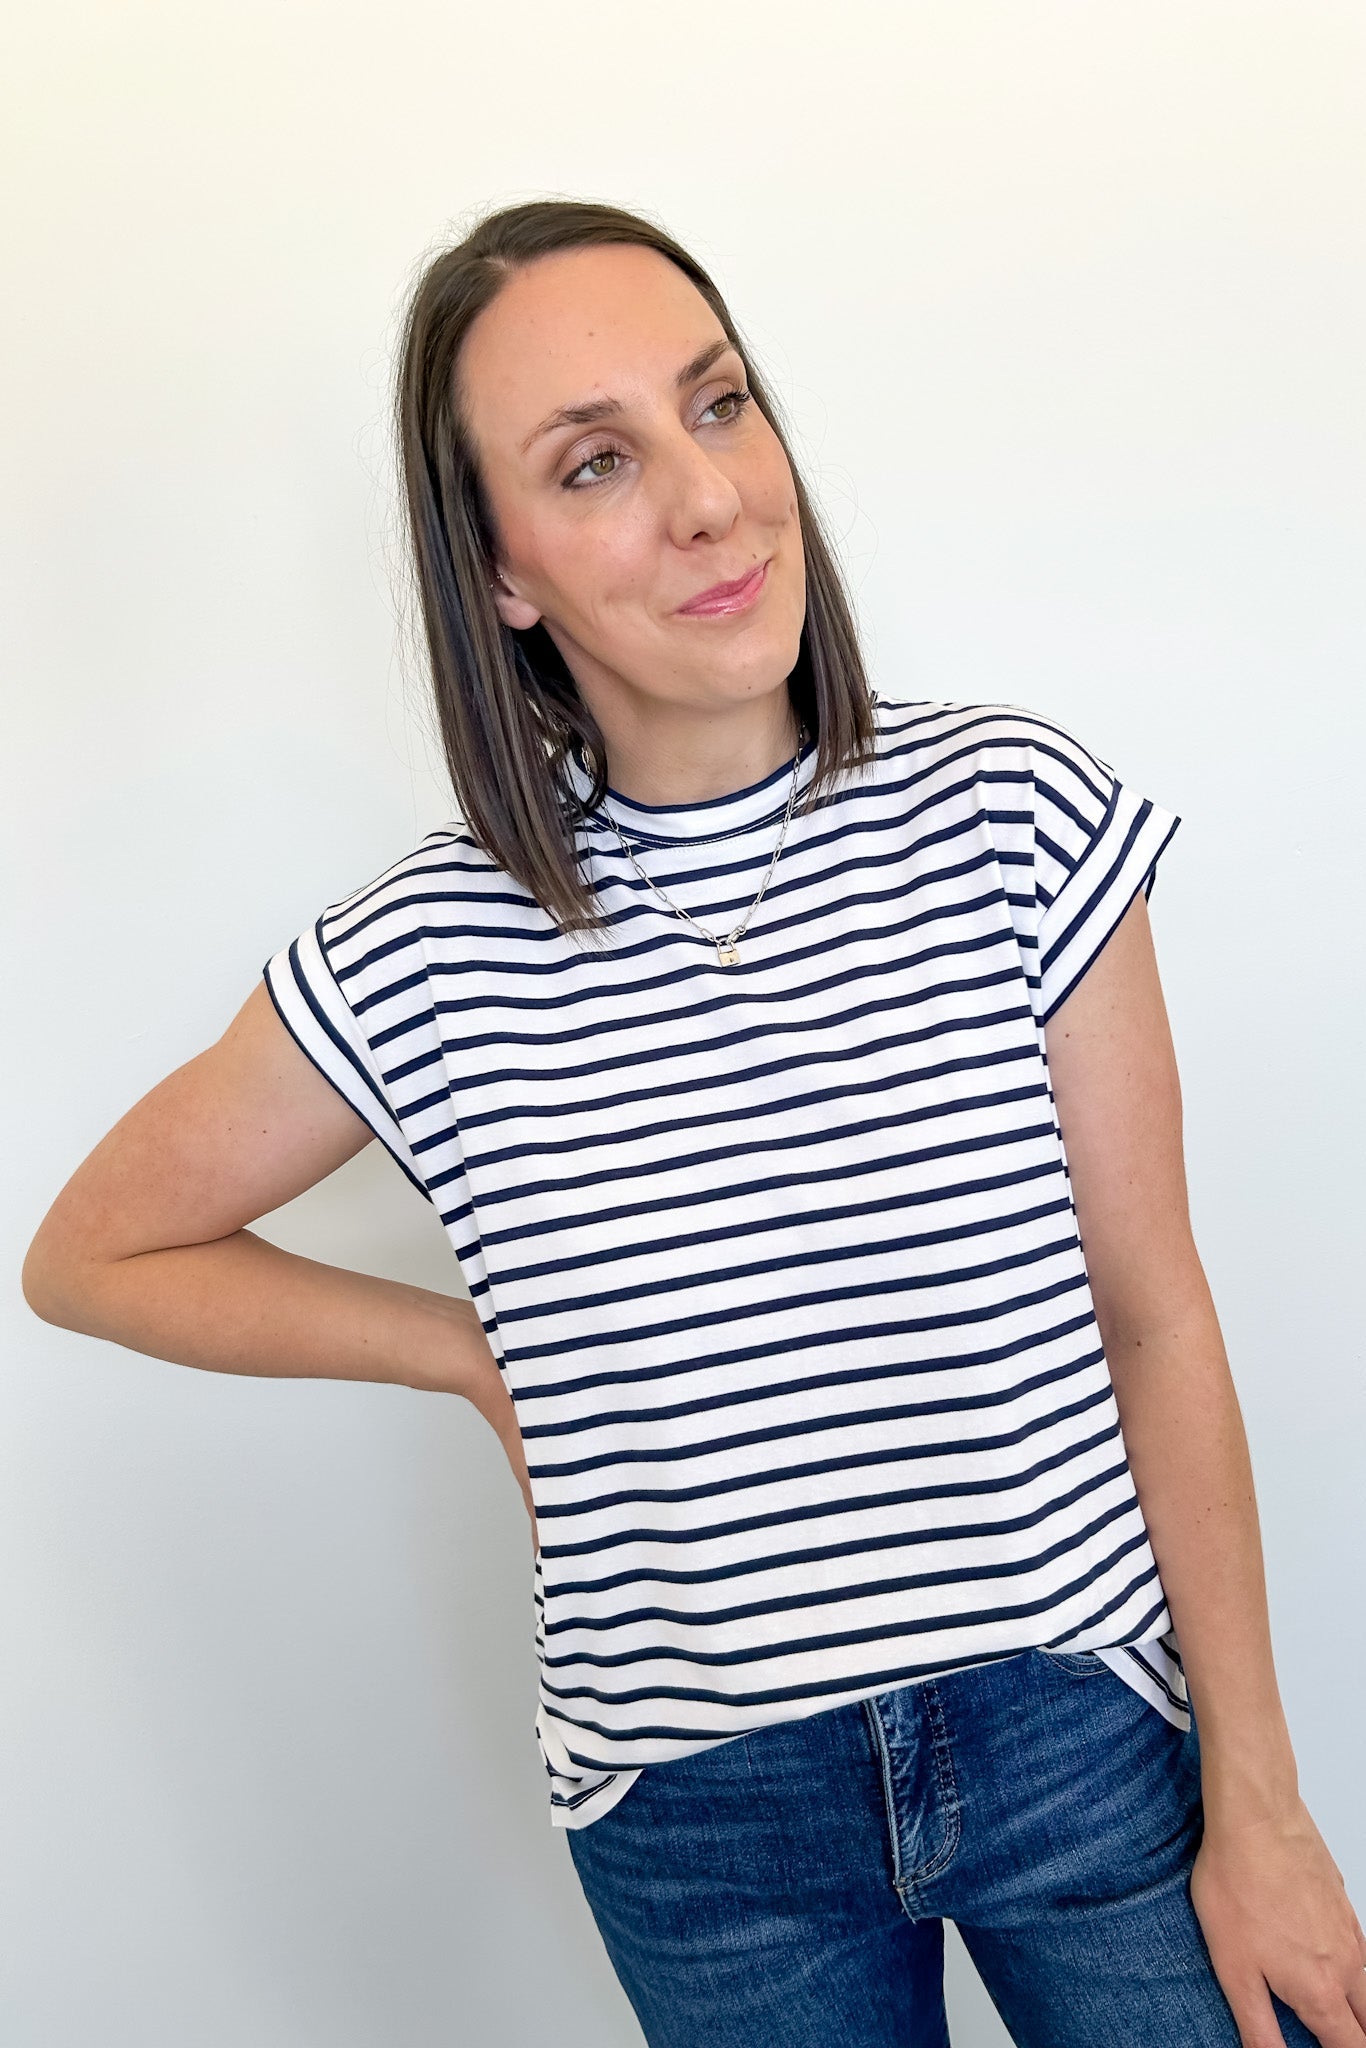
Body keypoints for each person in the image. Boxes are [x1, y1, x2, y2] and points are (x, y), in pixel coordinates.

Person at [21, 198, 1363, 2048]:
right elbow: (89, 1254)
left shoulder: (1016, 816)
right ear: (498, 572)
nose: (711, 501)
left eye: (718, 408)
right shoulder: (421, 951)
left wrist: (1265, 1808)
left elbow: (1154, 1320)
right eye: (595, 464)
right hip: (705, 1825)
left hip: (1081, 1743)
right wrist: (468, 1351)